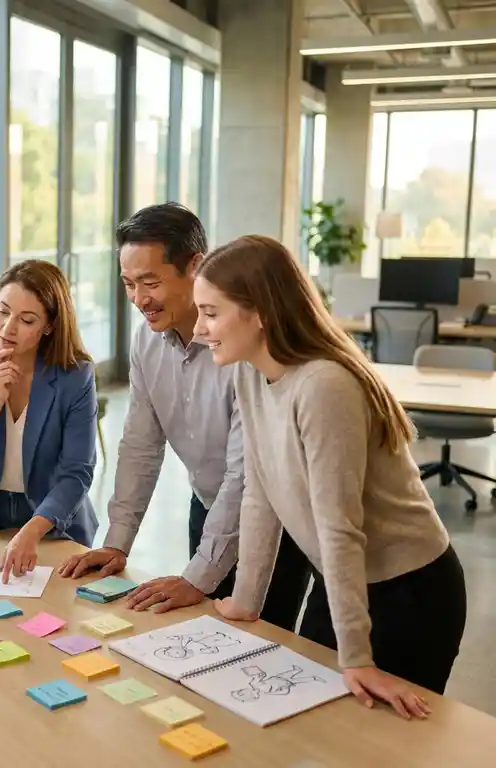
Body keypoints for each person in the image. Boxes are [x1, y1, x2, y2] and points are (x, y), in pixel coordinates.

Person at [194, 234, 466, 719]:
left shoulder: (324, 385)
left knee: (376, 740)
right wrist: (245, 600)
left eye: (211, 313)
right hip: (343, 578)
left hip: (409, 589)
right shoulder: (249, 373)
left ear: (260, 312)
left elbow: (338, 526)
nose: (199, 329)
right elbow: (260, 494)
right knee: (317, 723)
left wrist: (357, 657)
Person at [57, 203, 310, 629]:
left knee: (260, 645)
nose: (139, 299)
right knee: (206, 639)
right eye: (129, 284)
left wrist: (197, 577)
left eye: (150, 282)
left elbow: (244, 473)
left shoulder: (244, 345)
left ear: (195, 266)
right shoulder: (146, 342)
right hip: (208, 506)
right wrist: (117, 543)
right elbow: (140, 446)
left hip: (275, 521)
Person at [0, 259, 98, 583]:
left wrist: (32, 530)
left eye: (26, 320)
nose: (7, 328)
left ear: (49, 326)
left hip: (53, 522)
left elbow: (76, 473)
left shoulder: (75, 375)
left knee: (56, 610)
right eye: (3, 311)